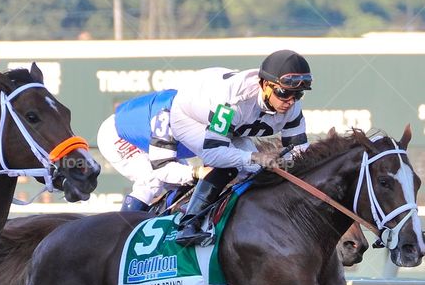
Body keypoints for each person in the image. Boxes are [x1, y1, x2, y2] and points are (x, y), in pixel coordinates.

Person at [97, 49, 311, 246]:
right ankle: (129, 237)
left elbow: (302, 153)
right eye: (284, 93)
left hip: (200, 118)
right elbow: (168, 165)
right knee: (154, 181)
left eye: (297, 95)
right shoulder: (230, 102)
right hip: (120, 136)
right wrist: (197, 171)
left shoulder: (289, 105)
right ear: (264, 85)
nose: (290, 101)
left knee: (250, 168)